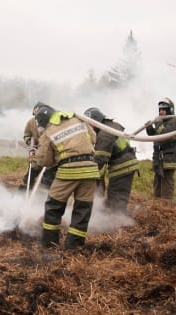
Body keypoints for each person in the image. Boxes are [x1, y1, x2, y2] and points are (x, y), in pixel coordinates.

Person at [34, 105, 100, 249]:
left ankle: (49, 245)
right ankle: (74, 247)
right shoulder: (78, 119)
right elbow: (93, 138)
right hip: (90, 169)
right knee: (82, 209)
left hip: (69, 170)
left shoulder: (48, 131)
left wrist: (36, 154)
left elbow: (45, 161)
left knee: (53, 206)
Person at [83, 107, 139, 215]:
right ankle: (118, 219)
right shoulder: (110, 126)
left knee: (117, 197)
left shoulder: (104, 134)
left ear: (95, 121)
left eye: (89, 124)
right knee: (115, 194)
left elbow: (100, 160)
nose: (88, 128)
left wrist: (88, 176)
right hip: (125, 164)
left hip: (122, 167)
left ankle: (120, 222)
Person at [146, 98, 176, 199]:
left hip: (169, 155)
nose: (161, 112)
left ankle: (166, 206)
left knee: (167, 182)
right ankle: (157, 205)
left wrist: (158, 123)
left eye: (164, 109)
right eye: (160, 110)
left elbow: (165, 136)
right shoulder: (162, 122)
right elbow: (154, 135)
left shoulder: (174, 121)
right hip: (159, 157)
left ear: (170, 110)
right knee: (157, 181)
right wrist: (149, 127)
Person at [18, 102, 57, 193]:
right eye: (35, 115)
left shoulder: (52, 122)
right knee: (30, 175)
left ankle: (42, 197)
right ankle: (21, 195)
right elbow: (26, 135)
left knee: (48, 177)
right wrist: (29, 142)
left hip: (50, 154)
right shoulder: (31, 123)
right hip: (37, 153)